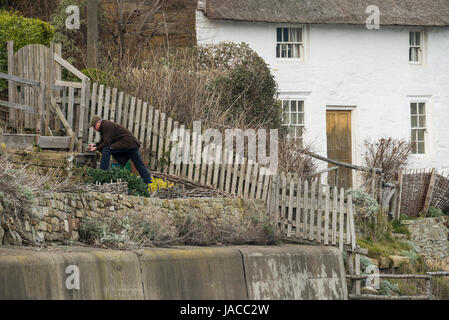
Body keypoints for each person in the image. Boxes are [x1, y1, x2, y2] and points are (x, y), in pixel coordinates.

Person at [88, 115, 153, 184]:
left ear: (98, 123)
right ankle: (149, 183)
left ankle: (102, 175)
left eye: (94, 126)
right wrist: (95, 145)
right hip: (131, 144)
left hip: (127, 143)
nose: (94, 129)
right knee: (139, 164)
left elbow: (107, 142)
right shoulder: (104, 126)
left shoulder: (106, 125)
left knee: (106, 150)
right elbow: (104, 140)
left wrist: (97, 148)